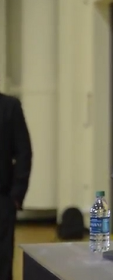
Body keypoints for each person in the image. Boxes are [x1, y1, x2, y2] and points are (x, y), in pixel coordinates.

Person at [0, 92, 32, 280]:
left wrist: (16, 195)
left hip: (2, 200)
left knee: (3, 264)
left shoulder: (9, 107)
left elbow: (23, 151)